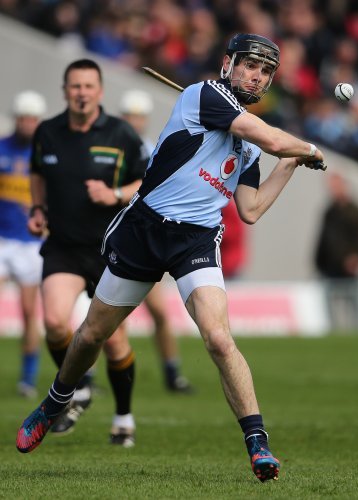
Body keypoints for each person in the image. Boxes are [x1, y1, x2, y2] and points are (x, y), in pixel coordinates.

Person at [17, 34, 325, 483]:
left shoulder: (251, 147)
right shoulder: (207, 95)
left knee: (219, 339)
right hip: (145, 229)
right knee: (90, 335)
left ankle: (258, 444)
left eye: (265, 71)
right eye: (249, 65)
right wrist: (308, 149)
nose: (255, 75)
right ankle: (55, 401)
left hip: (196, 241)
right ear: (228, 65)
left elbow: (252, 209)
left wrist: (292, 163)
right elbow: (275, 139)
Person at [19, 59, 150, 446]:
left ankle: (124, 417)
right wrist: (38, 208)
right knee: (57, 323)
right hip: (62, 245)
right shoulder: (47, 132)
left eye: (88, 86)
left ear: (100, 91)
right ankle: (79, 386)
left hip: (109, 248)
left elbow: (147, 181)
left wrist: (115, 194)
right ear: (64, 91)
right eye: (74, 86)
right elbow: (37, 173)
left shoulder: (121, 133)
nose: (81, 92)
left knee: (112, 340)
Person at [119, 89, 193, 392]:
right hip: (117, 237)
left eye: (140, 116)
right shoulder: (113, 146)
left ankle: (172, 373)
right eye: (130, 116)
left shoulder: (154, 148)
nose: (135, 122)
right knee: (111, 318)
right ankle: (88, 378)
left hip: (145, 238)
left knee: (160, 313)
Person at [0, 90, 47, 398]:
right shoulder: (2, 148)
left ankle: (28, 378)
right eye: (23, 118)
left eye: (32, 118)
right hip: (3, 239)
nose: (27, 123)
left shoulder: (45, 153)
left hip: (31, 243)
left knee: (30, 311)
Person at [314, 172, 358, 329]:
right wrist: (318, 263)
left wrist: (356, 259)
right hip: (331, 271)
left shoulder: (354, 211)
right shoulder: (329, 212)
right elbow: (324, 240)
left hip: (351, 272)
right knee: (331, 314)